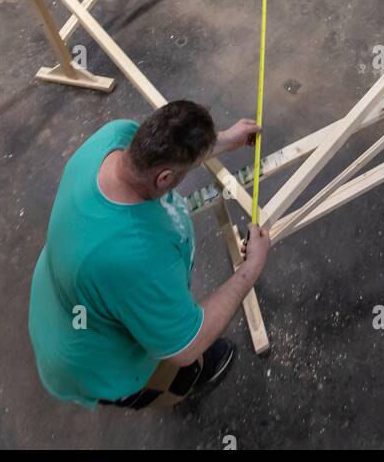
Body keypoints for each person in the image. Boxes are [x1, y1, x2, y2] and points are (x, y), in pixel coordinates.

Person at [28, 100, 269, 410]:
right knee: (187, 363)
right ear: (165, 179)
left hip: (61, 296)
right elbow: (185, 346)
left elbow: (167, 154)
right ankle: (185, 385)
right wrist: (251, 267)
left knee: (157, 318)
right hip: (92, 357)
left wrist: (222, 140)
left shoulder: (115, 138)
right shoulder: (136, 257)